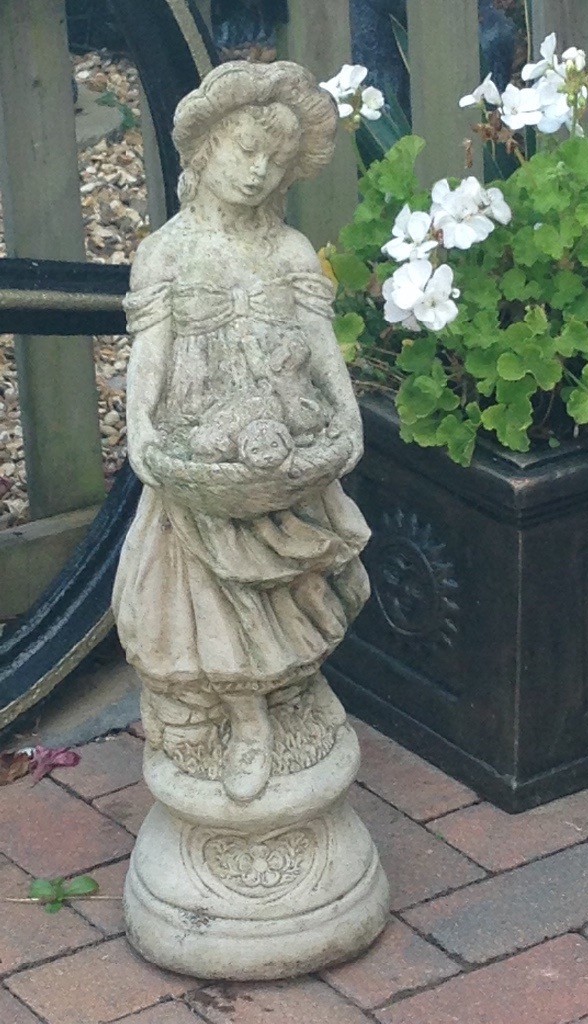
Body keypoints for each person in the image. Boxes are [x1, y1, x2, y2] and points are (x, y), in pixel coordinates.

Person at [113, 61, 370, 804]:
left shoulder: (290, 252)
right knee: (211, 604)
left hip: (284, 451)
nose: (258, 171)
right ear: (204, 150)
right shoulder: (168, 253)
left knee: (291, 599)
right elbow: (149, 363)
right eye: (243, 150)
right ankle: (246, 721)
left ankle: (290, 698)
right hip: (200, 459)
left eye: (274, 159)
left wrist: (345, 428)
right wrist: (144, 440)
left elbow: (325, 358)